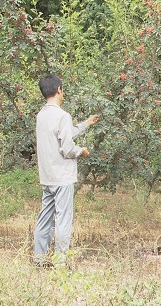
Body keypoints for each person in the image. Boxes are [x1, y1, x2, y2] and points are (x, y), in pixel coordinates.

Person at [33, 74, 99, 268]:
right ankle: (60, 262)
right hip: (62, 177)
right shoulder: (62, 116)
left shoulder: (42, 115)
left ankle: (40, 259)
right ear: (59, 89)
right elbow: (67, 148)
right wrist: (82, 151)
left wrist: (86, 124)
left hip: (47, 176)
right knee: (63, 219)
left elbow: (65, 134)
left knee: (45, 218)